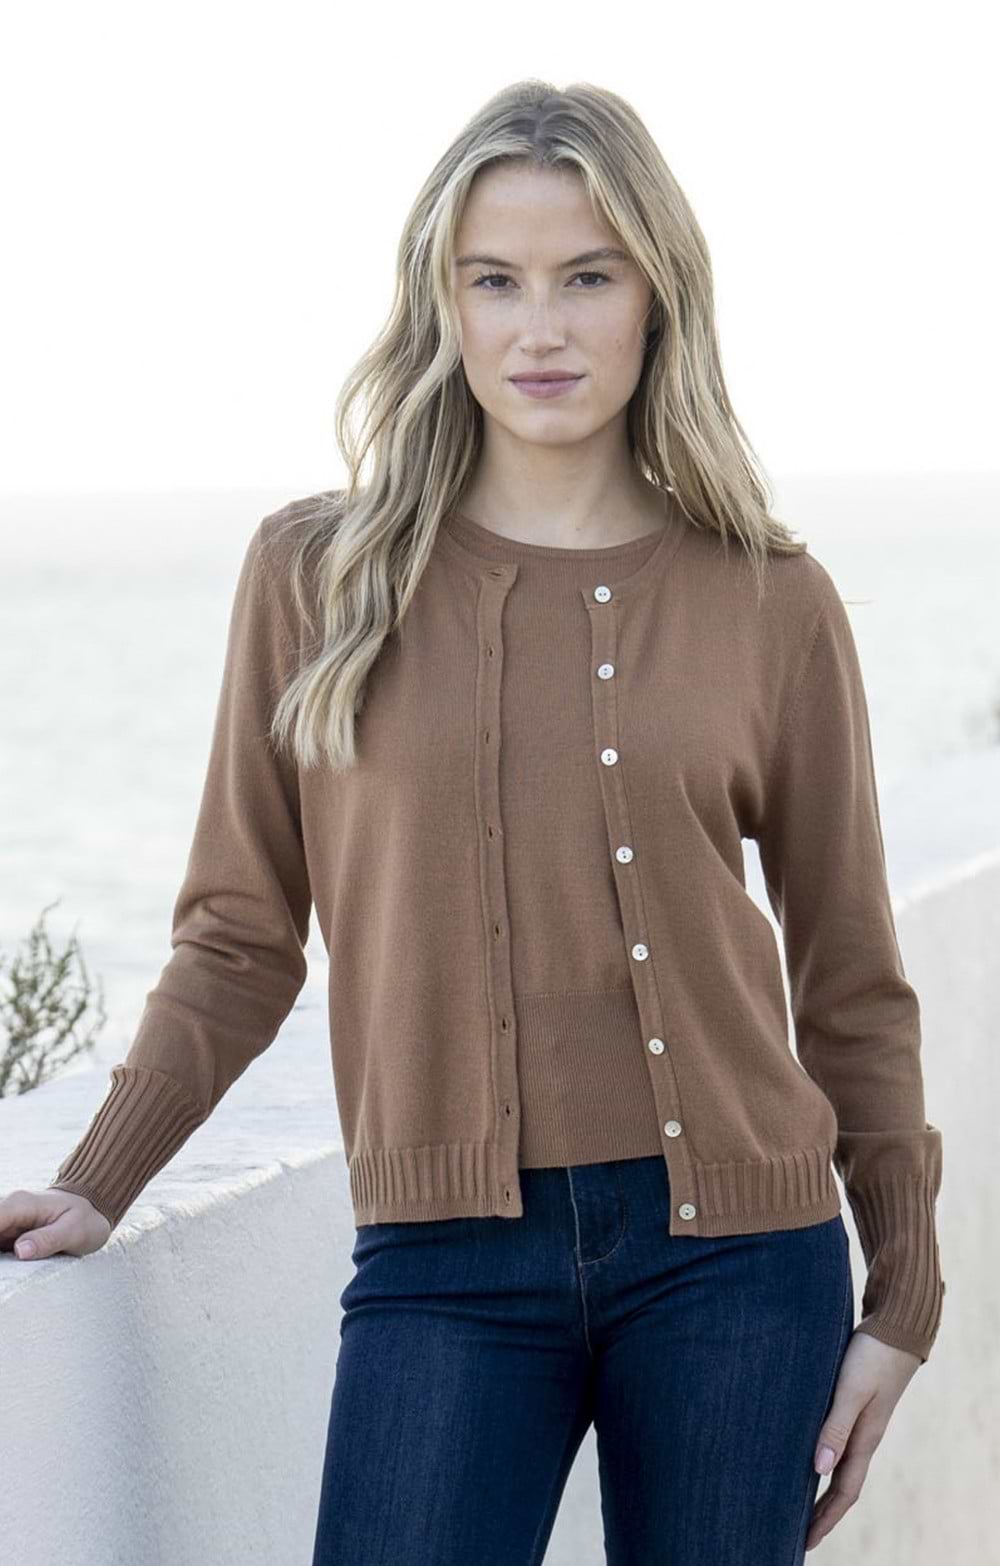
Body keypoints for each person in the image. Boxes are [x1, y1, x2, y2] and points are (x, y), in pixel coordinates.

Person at [0, 79, 944, 1564]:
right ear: (439, 303)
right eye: (492, 280)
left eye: (588, 277)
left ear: (659, 294)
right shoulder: (317, 575)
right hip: (444, 1261)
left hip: (743, 1269)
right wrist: (96, 1177)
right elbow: (241, 933)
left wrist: (904, 1293)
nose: (539, 328)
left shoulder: (772, 598)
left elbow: (851, 971)